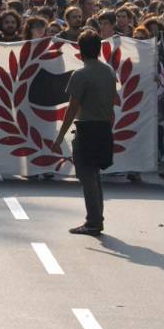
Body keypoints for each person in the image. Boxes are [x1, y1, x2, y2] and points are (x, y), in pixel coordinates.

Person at [53, 30, 117, 236]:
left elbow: (72, 108)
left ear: (80, 50)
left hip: (87, 127)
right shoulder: (109, 71)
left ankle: (93, 221)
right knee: (95, 174)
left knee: (87, 175)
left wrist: (60, 135)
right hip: (104, 126)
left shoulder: (80, 75)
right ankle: (97, 217)